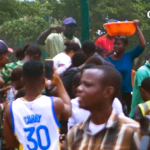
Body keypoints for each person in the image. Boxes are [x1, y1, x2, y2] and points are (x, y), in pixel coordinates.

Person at [64, 66, 140, 150]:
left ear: (107, 92)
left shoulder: (133, 132)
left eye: (88, 85)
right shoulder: (74, 133)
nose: (79, 88)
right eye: (80, 84)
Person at [3, 60, 72, 149]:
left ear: (22, 81)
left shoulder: (10, 109)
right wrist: (58, 82)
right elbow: (69, 110)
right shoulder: (55, 103)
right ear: (44, 81)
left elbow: (10, 144)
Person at [107, 20, 146, 114]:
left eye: (118, 44)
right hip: (113, 94)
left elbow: (142, 45)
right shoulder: (108, 59)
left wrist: (136, 27)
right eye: (114, 44)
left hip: (127, 93)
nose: (116, 46)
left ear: (125, 46)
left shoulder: (129, 56)